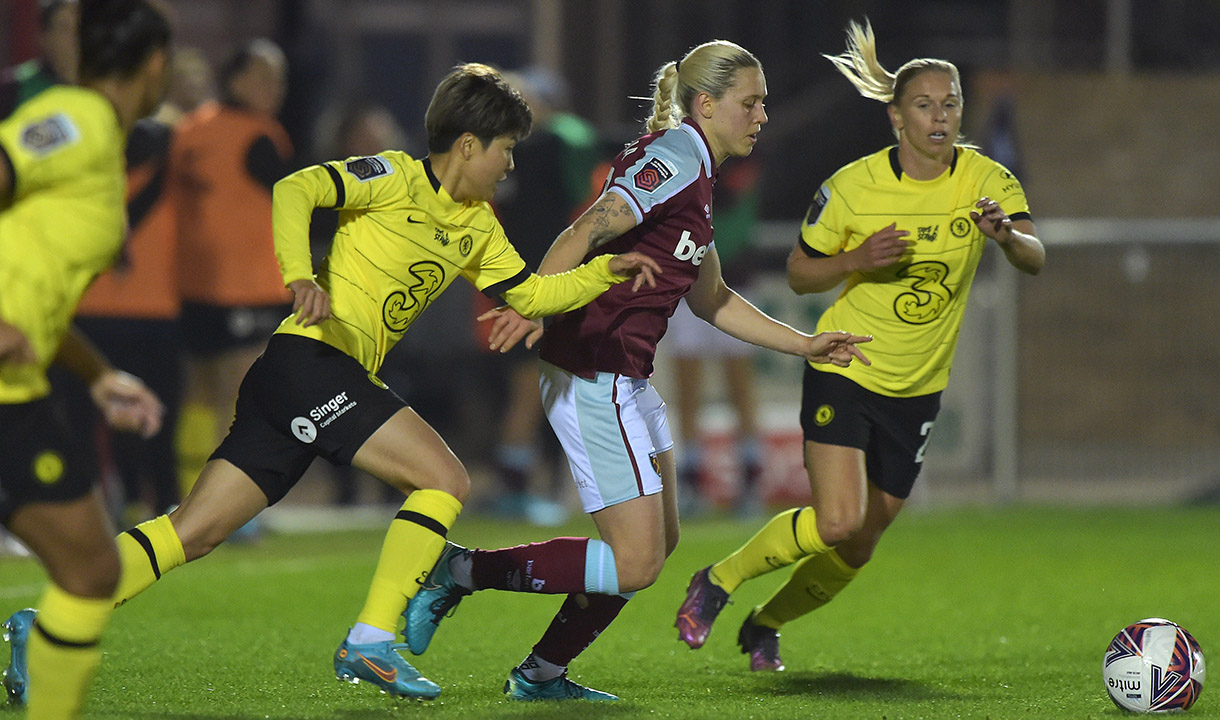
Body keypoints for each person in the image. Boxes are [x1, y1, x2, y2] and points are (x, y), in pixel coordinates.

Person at [4, 62, 661, 704]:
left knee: (193, 531)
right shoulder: (392, 175)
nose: (510, 166)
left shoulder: (478, 227)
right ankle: (370, 642)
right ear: (469, 145)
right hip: (311, 363)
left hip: (304, 381)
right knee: (444, 478)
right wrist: (299, 274)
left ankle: (50, 626)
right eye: (506, 151)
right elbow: (296, 189)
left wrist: (605, 274)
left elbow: (531, 294)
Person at [402, 41, 872, 702]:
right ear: (706, 105)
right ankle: (459, 572)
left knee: (657, 544)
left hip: (625, 376)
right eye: (751, 102)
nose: (762, 114)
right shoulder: (675, 158)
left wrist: (805, 345)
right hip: (593, 373)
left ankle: (540, 675)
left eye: (762, 101)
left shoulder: (698, 170)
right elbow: (584, 231)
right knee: (635, 559)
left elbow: (710, 299)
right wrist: (534, 302)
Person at [674, 18, 1045, 673]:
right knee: (838, 519)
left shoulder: (988, 182)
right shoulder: (853, 187)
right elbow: (799, 271)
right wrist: (858, 259)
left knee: (860, 545)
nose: (940, 116)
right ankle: (719, 580)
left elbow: (1034, 258)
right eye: (925, 105)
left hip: (919, 389)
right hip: (848, 366)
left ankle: (767, 624)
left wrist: (1007, 238)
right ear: (897, 118)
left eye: (950, 103)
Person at [0, 2, 172, 717]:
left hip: (19, 386)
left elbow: (37, 287)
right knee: (90, 568)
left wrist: (98, 374)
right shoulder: (76, 118)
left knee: (90, 569)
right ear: (154, 62)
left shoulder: (103, 142)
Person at [478, 66, 608, 526]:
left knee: (541, 386)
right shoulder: (533, 147)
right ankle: (528, 487)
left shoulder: (537, 146)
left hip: (540, 282)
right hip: (535, 285)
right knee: (533, 386)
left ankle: (538, 485)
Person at [172, 39, 294, 467]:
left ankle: (187, 496)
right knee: (243, 400)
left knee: (198, 397)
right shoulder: (260, 135)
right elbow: (295, 202)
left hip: (191, 284)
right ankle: (231, 508)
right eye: (264, 77)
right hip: (250, 286)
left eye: (279, 79)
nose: (275, 89)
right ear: (235, 79)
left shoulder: (188, 129)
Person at [664, 153, 764, 517]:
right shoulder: (684, 157)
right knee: (688, 393)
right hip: (688, 290)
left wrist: (701, 256)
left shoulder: (741, 161)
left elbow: (735, 225)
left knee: (740, 389)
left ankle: (751, 484)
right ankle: (691, 485)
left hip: (733, 287)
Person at [0, 0, 79, 116]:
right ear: (44, 37)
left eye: (79, 28)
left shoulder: (104, 88)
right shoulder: (12, 88)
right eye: (64, 28)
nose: (74, 37)